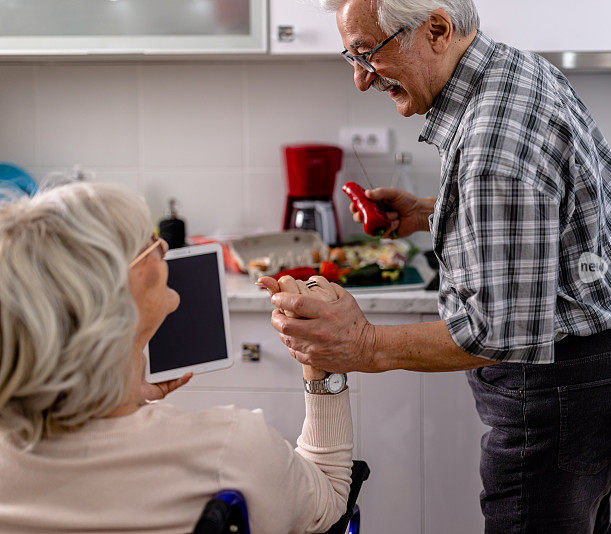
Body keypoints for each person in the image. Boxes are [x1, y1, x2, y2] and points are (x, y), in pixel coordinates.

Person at [263, 0, 611, 532]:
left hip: (558, 390)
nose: (360, 80)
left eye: (368, 54)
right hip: (595, 366)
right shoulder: (508, 69)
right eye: (349, 56)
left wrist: (364, 345)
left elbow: (501, 332)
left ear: (438, 30)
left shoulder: (493, 146)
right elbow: (542, 217)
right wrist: (431, 212)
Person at [0, 182, 352, 534]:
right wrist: (321, 366)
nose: (164, 247)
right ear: (112, 293)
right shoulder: (230, 447)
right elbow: (331, 500)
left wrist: (123, 394)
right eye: (147, 243)